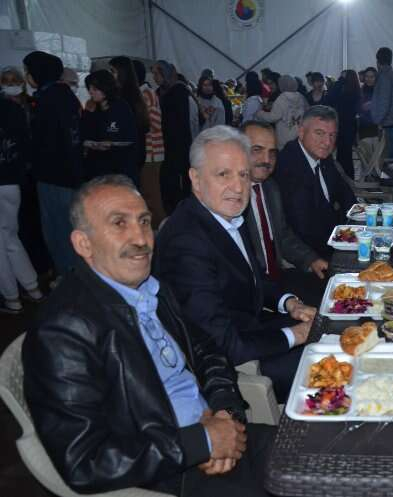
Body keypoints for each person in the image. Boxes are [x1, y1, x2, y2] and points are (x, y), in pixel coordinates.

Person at [24, 174, 274, 496]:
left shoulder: (151, 288)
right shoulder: (62, 330)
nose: (141, 238)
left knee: (320, 451)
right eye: (119, 223)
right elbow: (85, 462)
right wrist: (200, 442)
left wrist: (226, 411)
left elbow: (207, 350)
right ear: (83, 243)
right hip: (168, 476)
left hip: (219, 430)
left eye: (144, 221)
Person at [154, 126, 316, 401]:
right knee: (335, 365)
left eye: (243, 175)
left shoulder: (225, 215)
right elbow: (221, 343)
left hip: (251, 329)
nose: (238, 187)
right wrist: (297, 334)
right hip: (234, 365)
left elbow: (254, 278)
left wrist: (290, 303)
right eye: (223, 174)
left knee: (334, 328)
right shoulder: (186, 242)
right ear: (195, 179)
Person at [240, 121, 329, 303]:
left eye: (272, 153)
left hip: (278, 281)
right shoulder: (231, 199)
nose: (266, 160)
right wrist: (284, 301)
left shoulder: (270, 187)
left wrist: (311, 259)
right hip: (251, 292)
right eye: (257, 150)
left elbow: (282, 236)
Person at [23, 51, 83, 278]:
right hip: (72, 174)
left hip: (52, 175)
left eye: (28, 71)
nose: (27, 76)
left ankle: (68, 278)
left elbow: (42, 141)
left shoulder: (47, 100)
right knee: (71, 228)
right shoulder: (66, 96)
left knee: (57, 230)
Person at [274, 105, 357, 258]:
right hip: (309, 254)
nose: (327, 142)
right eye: (319, 133)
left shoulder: (322, 156)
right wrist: (347, 240)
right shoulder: (288, 166)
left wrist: (359, 221)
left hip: (334, 238)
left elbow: (345, 194)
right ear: (301, 132)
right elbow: (303, 227)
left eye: (332, 135)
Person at [0, 92, 44, 313]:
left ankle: (11, 298)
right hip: (12, 182)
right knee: (10, 236)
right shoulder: (13, 109)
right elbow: (26, 145)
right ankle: (33, 287)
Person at [81, 70, 138, 184]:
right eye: (89, 88)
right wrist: (88, 114)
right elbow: (83, 134)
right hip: (96, 169)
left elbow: (130, 138)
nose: (90, 92)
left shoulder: (121, 107)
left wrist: (111, 143)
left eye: (95, 89)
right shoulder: (91, 107)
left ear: (105, 89)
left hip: (118, 168)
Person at [153, 60, 195, 213]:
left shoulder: (178, 91)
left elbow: (182, 122)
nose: (155, 77)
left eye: (157, 74)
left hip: (179, 146)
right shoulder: (162, 92)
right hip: (168, 146)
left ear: (165, 74)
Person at [132, 59, 167, 229]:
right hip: (147, 152)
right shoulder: (142, 93)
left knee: (152, 196)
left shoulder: (146, 94)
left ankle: (160, 231)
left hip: (151, 152)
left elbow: (155, 122)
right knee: (148, 195)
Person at [109, 56, 150, 176]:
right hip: (134, 152)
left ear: (122, 73)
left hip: (128, 155)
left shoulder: (125, 98)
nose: (110, 75)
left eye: (113, 71)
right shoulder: (135, 95)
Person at [255, 74, 309, 150]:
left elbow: (273, 117)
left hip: (285, 137)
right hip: (299, 135)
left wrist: (260, 113)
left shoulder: (282, 98)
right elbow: (308, 112)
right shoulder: (301, 97)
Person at [371, 47, 393, 161]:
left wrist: (377, 121)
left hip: (390, 123)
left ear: (378, 60)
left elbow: (384, 102)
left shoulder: (384, 77)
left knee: (389, 160)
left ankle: (391, 174)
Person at [326, 69, 360, 179]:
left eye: (343, 77)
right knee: (345, 155)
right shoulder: (355, 91)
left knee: (343, 155)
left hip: (344, 126)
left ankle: (344, 178)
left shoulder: (347, 93)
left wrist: (339, 81)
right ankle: (346, 178)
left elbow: (330, 98)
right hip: (348, 126)